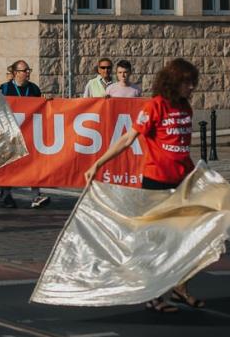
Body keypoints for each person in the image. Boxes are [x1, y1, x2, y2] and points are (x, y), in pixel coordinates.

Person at [84, 58, 204, 314]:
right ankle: (153, 294)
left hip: (183, 179)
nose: (191, 87)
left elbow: (181, 148)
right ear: (174, 82)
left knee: (187, 236)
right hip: (156, 181)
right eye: (187, 83)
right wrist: (98, 163)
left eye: (192, 83)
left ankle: (180, 286)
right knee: (158, 240)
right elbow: (128, 139)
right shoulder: (154, 107)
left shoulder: (185, 107)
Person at [0, 60, 50, 209]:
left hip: (29, 133)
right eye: (24, 70)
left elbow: (41, 108)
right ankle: (6, 194)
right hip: (10, 134)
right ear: (15, 73)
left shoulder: (33, 89)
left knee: (34, 163)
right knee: (9, 165)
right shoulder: (5, 88)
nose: (27, 73)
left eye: (28, 70)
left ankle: (36, 196)